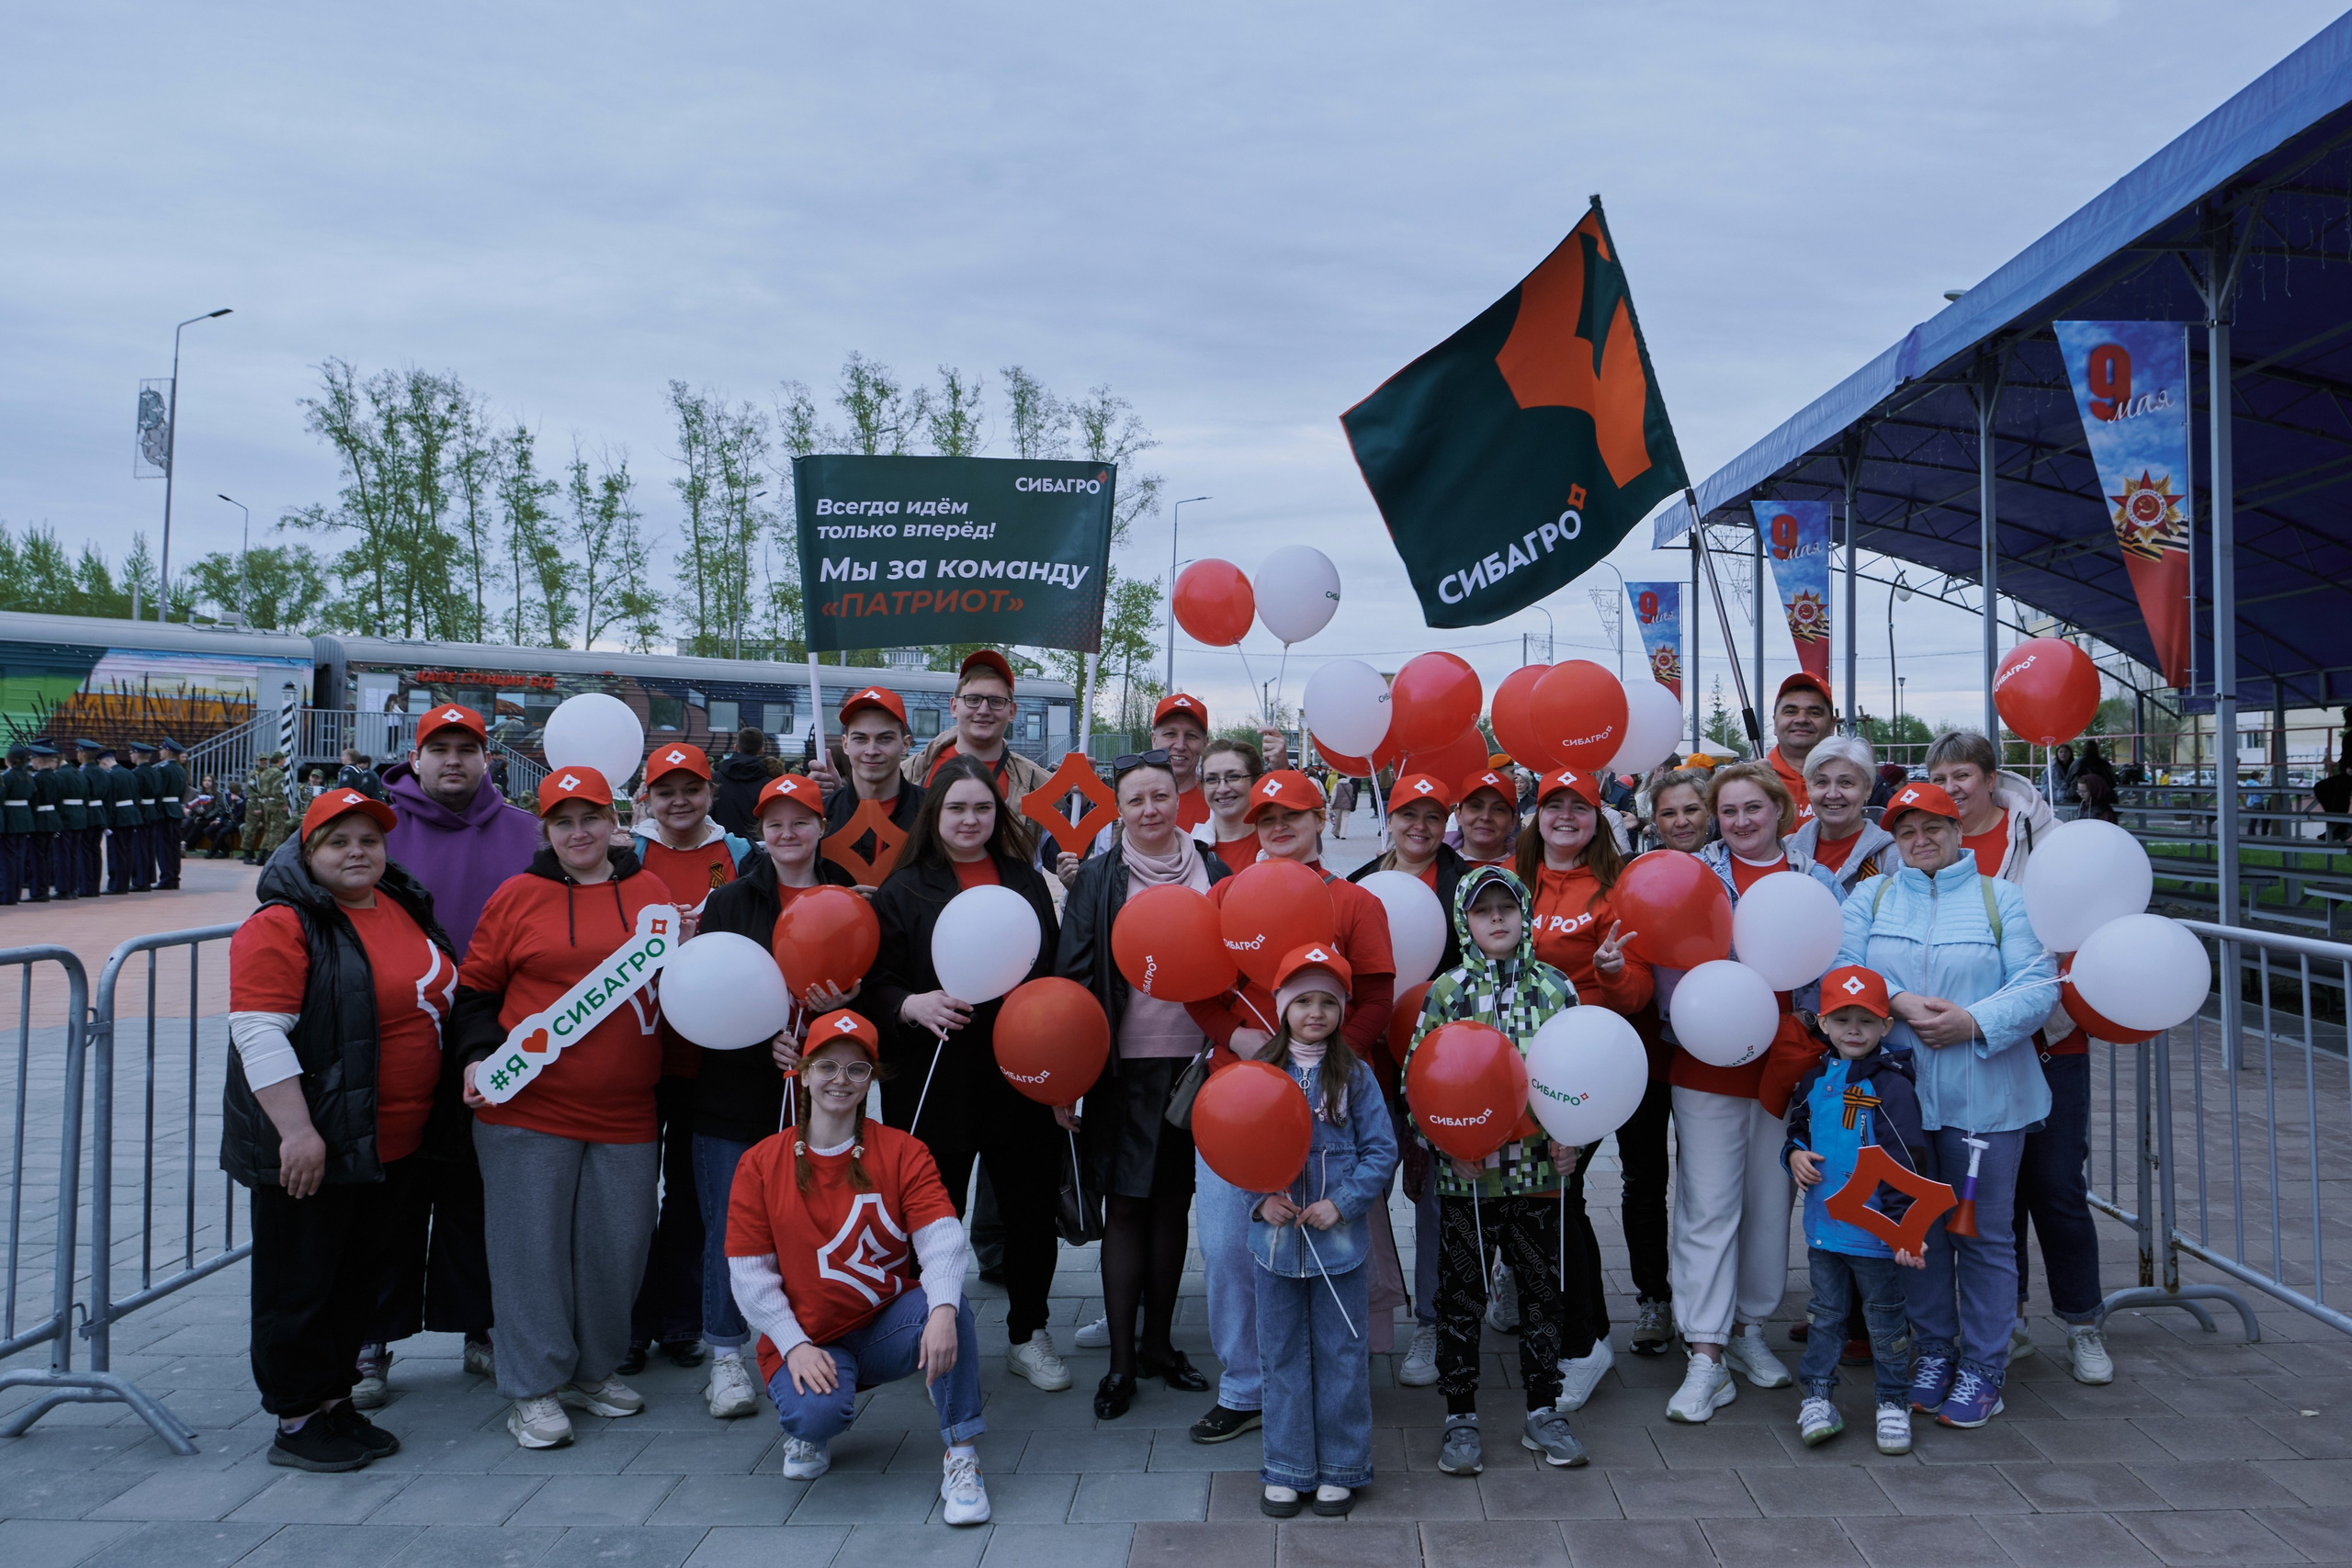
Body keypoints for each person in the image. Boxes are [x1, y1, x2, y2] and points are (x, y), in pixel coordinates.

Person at [225, 786, 455, 1472]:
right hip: (318, 1143)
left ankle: (334, 1401)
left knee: (357, 1280)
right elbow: (258, 1031)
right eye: (338, 840)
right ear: (307, 848)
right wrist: (297, 1132)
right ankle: (295, 1416)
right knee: (301, 1283)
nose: (357, 852)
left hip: (391, 1142)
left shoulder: (400, 904)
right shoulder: (284, 923)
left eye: (369, 840)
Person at [454, 765, 676, 1450]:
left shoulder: (652, 891)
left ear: (614, 821)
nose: (579, 832)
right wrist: (476, 1058)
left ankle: (592, 1368)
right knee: (531, 1253)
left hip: (629, 1109)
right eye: (563, 821)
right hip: (528, 1105)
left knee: (617, 1248)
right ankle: (533, 1387)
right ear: (545, 829)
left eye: (591, 817)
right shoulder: (518, 896)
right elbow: (476, 991)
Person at [1835, 781, 2060, 1429]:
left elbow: (2037, 983)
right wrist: (1898, 1001)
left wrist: (1973, 1021)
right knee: (1916, 1232)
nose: (1920, 839)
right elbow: (1844, 964)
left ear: (1957, 829)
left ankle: (1985, 1365)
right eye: (1905, 830)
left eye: (1932, 825)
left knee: (1985, 1236)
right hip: (1897, 1109)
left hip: (1985, 1102)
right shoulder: (1872, 895)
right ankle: (1933, 1350)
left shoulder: (2003, 898)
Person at [1182, 769, 1397, 1445]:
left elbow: (1376, 996)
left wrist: (1342, 1065)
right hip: (1237, 1101)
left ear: (1320, 822)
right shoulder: (1224, 895)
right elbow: (1193, 981)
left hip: (1329, 1103)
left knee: (1329, 1237)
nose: (1278, 827)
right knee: (1227, 1245)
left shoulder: (1354, 903)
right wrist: (1233, 1033)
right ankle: (1246, 1385)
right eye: (1266, 816)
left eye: (1294, 815)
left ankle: (1331, 1378)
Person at [723, 1008, 990, 1523]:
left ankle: (961, 1454)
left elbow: (942, 1240)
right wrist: (793, 1345)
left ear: (871, 1080)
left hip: (884, 1326)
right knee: (817, 1416)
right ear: (803, 1072)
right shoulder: (760, 1162)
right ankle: (808, 1433)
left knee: (950, 1305)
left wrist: (939, 1312)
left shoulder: (903, 1151)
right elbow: (750, 1273)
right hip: (810, 1338)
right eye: (827, 1066)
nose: (840, 1081)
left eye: (856, 1069)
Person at [861, 755, 1069, 1393]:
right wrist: (910, 1004)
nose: (970, 818)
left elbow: (1053, 973)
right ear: (935, 814)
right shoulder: (904, 888)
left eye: (982, 807)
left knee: (1030, 1211)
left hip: (1018, 1075)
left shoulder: (1022, 881)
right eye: (957, 807)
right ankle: (936, 1330)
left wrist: (1062, 1074)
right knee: (935, 1214)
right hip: (933, 1077)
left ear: (997, 813)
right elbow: (874, 985)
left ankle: (1028, 1334)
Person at [356, 704, 536, 1401]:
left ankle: (479, 1326)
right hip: (396, 1040)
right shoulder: (377, 833)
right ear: (417, 756)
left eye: (467, 747)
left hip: (491, 1039)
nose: (454, 760)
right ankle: (371, 1335)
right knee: (390, 1195)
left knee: (476, 1191)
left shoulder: (525, 833)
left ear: (487, 757)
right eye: (441, 748)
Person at [1663, 761, 1843, 1424]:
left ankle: (1748, 1330)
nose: (1741, 821)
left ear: (1778, 810)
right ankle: (1704, 1351)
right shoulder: (1692, 876)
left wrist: (1814, 1027)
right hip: (1707, 1062)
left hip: (1784, 1064)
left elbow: (1836, 965)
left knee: (1772, 1202)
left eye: (1753, 808)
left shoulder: (1814, 880)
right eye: (1729, 810)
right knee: (1708, 1204)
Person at [1056, 751, 1231, 1417]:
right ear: (1119, 810)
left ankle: (1159, 1344)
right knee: (1127, 1204)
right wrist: (1068, 1075)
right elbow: (1073, 975)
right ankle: (1122, 1363)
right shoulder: (1100, 879)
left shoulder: (1213, 870)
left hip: (1195, 1066)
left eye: (1161, 795)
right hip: (1122, 1067)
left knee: (1172, 1204)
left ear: (1179, 799)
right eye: (1136, 800)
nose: (1151, 809)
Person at [1404, 867, 1594, 1476]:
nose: (1495, 918)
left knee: (1542, 1293)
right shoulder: (1447, 992)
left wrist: (1576, 1143)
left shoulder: (1557, 988)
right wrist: (1443, 1143)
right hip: (1469, 1180)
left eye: (1505, 907)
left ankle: (1544, 1408)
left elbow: (1584, 1075)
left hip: (1539, 1174)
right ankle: (1460, 1414)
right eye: (1481, 909)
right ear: (1465, 919)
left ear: (1524, 913)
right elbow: (1419, 1080)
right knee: (1461, 1296)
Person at [695, 772, 862, 1418]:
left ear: (822, 827)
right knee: (732, 1229)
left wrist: (837, 1013)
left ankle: (814, 1340)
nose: (787, 833)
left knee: (816, 1220)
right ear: (759, 832)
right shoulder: (732, 900)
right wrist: (759, 1040)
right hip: (736, 1094)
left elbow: (866, 989)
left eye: (801, 820)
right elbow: (708, 996)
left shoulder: (844, 895)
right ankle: (726, 1355)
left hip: (826, 1097)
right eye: (774, 823)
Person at [1250, 945, 1400, 1516]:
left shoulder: (1355, 1076)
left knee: (1341, 1352)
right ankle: (1287, 1466)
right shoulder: (1262, 1074)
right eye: (1303, 1001)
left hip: (1338, 1248)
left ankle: (1341, 1465)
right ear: (1284, 1007)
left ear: (1341, 1010)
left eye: (1327, 1003)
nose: (1315, 1012)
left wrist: (1344, 1202)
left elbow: (1380, 1151)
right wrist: (1260, 1199)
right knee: (1282, 1354)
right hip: (1276, 1248)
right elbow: (1233, 1148)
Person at [619, 742, 752, 1381]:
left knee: (691, 1200)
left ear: (711, 792)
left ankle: (679, 1321)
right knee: (628, 1197)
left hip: (710, 1055)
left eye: (691, 788)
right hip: (639, 1051)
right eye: (665, 789)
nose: (679, 800)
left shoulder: (740, 856)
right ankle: (628, 1323)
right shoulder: (628, 856)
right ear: (646, 795)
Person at [1518, 767, 1657, 1379]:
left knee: (1559, 1188)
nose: (1566, 815)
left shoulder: (1616, 889)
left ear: (1599, 816)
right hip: (1525, 1061)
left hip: (1593, 1065)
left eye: (1580, 805)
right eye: (1555, 805)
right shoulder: (1514, 881)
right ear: (1538, 814)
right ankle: (1549, 1311)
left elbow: (1636, 996)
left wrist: (1612, 970)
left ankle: (1588, 1339)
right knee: (1540, 1191)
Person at [1781, 964, 1928, 1456]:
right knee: (1824, 1318)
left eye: (1865, 1020)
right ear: (1822, 1023)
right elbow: (1797, 1133)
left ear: (1886, 1026)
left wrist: (1908, 1228)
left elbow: (1907, 1160)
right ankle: (1817, 1397)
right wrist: (1794, 1155)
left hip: (1874, 1236)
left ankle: (1892, 1402)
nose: (1853, 1031)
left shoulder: (1893, 1087)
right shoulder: (1813, 1080)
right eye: (1841, 1019)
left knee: (1886, 1320)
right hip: (1824, 1231)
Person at [903, 650, 1050, 814]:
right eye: (973, 699)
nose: (984, 710)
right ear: (954, 707)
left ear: (1011, 712)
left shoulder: (1038, 784)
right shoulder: (908, 774)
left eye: (996, 701)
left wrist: (1081, 796)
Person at [808, 686, 926, 875]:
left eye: (885, 739)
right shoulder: (822, 816)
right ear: (845, 744)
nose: (871, 751)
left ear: (905, 744)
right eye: (860, 739)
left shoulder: (932, 813)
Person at [1924, 728, 2053, 884]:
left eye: (1962, 775)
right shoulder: (1917, 840)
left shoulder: (2044, 833)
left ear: (1990, 780)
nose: (1950, 788)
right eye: (1939, 779)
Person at [1790, 735, 1897, 894]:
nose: (1833, 794)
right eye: (1822, 782)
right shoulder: (1787, 850)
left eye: (1846, 782)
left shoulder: (1892, 857)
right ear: (1810, 789)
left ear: (1868, 789)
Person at [1766, 673, 1837, 824]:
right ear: (1774, 722)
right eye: (1790, 711)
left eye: (1814, 713)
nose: (1802, 719)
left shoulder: (1861, 784)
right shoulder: (1752, 781)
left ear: (1832, 725)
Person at [1193, 737, 1270, 870]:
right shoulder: (1189, 851)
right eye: (1212, 779)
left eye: (1234, 777)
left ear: (1257, 782)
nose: (1222, 789)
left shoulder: (1278, 843)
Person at [710, 725, 775, 840]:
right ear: (761, 750)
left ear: (735, 747)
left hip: (721, 848)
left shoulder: (714, 780)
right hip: (757, 851)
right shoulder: (769, 785)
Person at [1453, 768, 1521, 866]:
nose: (1486, 817)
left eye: (1498, 809)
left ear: (1513, 822)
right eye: (1476, 806)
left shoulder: (1530, 872)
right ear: (1458, 815)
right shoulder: (1434, 866)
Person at [1645, 767, 1713, 854]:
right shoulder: (1638, 867)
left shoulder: (1730, 865)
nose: (1681, 822)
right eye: (1669, 814)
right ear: (1655, 822)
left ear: (1708, 814)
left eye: (1691, 810)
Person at [102, 748, 142, 895]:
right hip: (131, 816)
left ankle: (116, 885)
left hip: (118, 818)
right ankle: (124, 883)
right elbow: (137, 797)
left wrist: (107, 823)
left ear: (105, 763)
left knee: (116, 853)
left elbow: (110, 801)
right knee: (128, 852)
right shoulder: (129, 773)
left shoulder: (111, 776)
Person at [243, 752, 288, 865]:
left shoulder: (266, 772)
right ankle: (253, 855)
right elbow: (276, 790)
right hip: (261, 804)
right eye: (261, 760)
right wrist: (283, 803)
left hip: (266, 804)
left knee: (269, 831)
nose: (263, 762)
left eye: (265, 760)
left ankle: (261, 857)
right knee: (271, 831)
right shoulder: (273, 773)